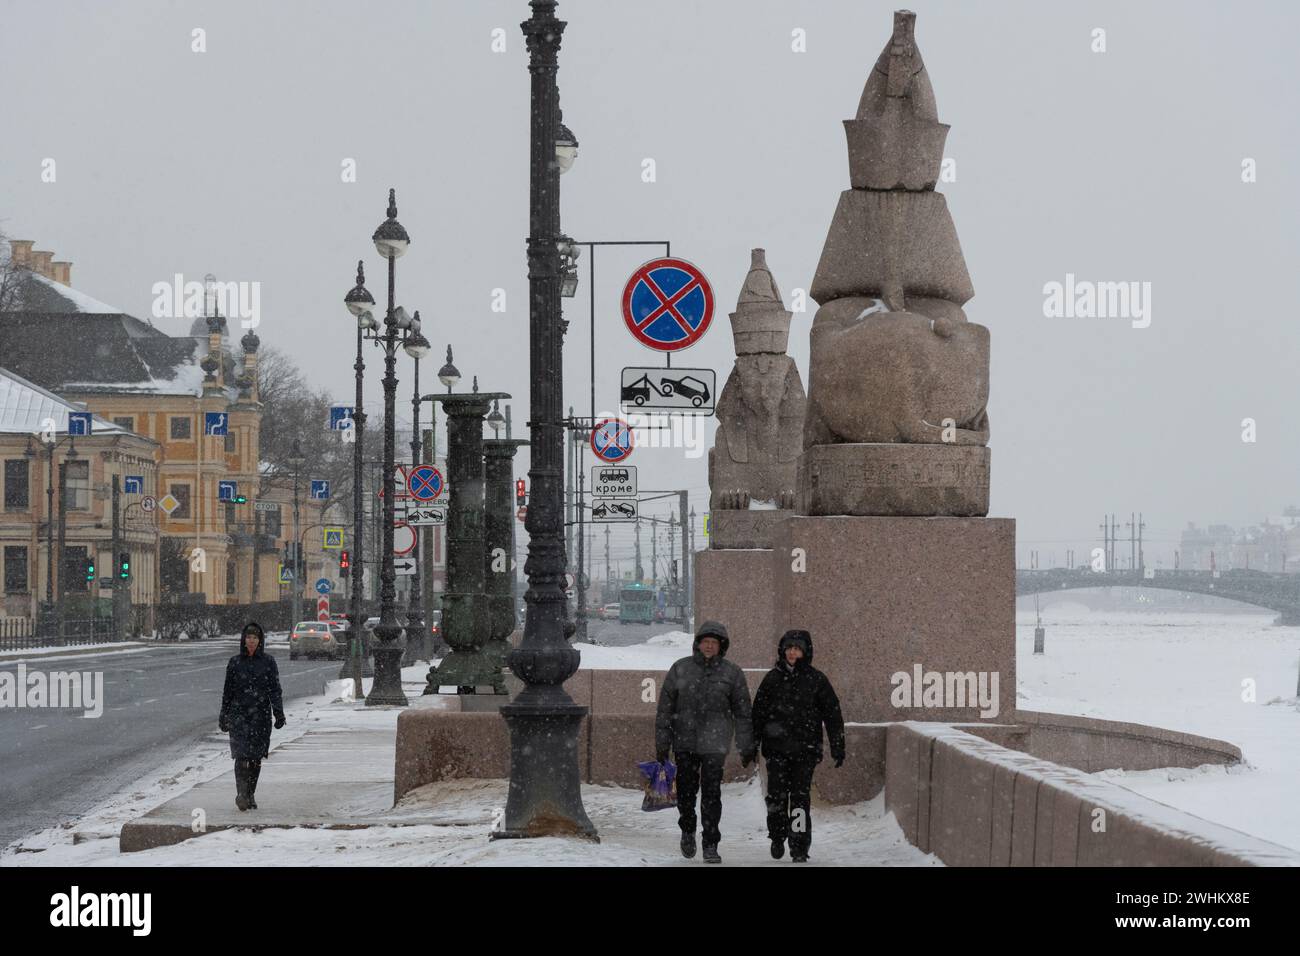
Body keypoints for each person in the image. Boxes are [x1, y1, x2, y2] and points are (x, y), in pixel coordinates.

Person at [655, 620, 755, 863]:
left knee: (712, 794)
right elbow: (665, 711)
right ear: (698, 644)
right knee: (687, 793)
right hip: (685, 743)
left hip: (715, 744)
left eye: (714, 643)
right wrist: (662, 744)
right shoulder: (680, 669)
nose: (709, 646)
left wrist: (746, 745)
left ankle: (711, 842)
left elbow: (743, 712)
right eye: (705, 642)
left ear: (722, 646)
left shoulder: (732, 673)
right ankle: (687, 830)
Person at [751, 629, 845, 863]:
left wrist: (837, 745)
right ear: (783, 651)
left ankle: (799, 844)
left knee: (800, 799)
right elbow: (757, 715)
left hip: (805, 751)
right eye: (789, 648)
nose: (793, 652)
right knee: (776, 797)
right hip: (776, 750)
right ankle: (777, 835)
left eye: (798, 648)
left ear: (805, 652)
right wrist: (751, 745)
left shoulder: (817, 680)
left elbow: (832, 714)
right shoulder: (772, 679)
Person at [219, 622, 285, 811]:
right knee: (240, 755)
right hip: (238, 715)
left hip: (261, 715)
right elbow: (227, 691)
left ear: (260, 640)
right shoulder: (234, 662)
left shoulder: (268, 662)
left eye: (255, 638)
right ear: (243, 639)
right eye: (248, 637)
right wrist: (224, 714)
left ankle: (250, 793)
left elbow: (275, 689)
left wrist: (278, 713)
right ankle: (241, 793)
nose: (251, 641)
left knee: (255, 757)